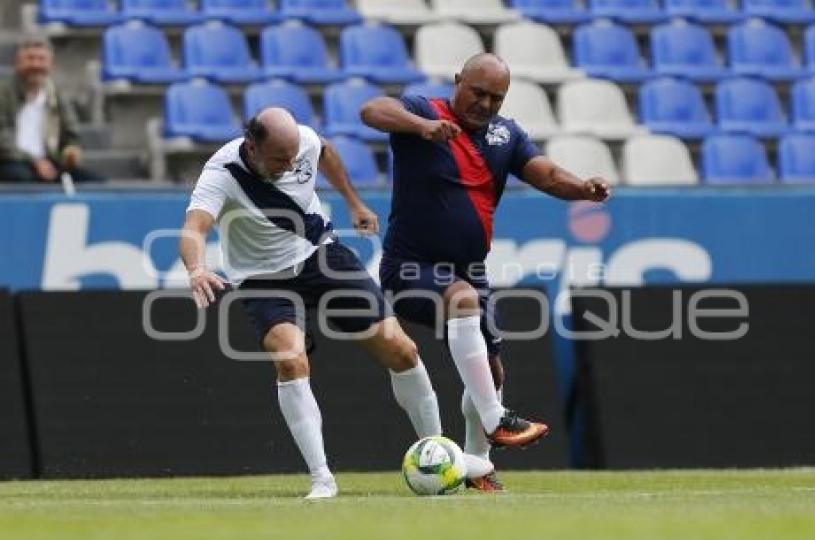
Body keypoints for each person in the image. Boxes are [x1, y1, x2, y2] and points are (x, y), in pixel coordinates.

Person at [179, 108, 496, 499]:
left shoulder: (304, 143)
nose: (291, 166)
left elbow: (325, 152)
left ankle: (437, 452)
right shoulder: (220, 174)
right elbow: (194, 228)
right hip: (263, 280)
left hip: (319, 257)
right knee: (290, 360)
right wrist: (196, 268)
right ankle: (322, 478)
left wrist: (353, 202)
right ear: (252, 147)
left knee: (401, 349)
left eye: (294, 158)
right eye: (279, 160)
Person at [361, 53, 612, 492]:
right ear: (458, 81)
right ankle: (497, 419)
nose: (486, 103)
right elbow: (371, 111)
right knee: (463, 301)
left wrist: (582, 189)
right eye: (478, 92)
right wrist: (421, 129)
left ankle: (478, 465)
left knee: (492, 373)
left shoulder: (505, 134)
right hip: (409, 266)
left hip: (469, 270)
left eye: (496, 97)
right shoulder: (424, 111)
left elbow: (548, 175)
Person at [0, 35, 101, 183]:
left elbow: (71, 135)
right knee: (21, 177)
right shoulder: (4, 93)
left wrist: (71, 151)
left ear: (51, 65)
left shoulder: (56, 95)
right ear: (17, 63)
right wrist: (34, 161)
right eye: (30, 58)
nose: (35, 65)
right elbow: (3, 140)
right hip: (10, 162)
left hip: (48, 161)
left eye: (41, 59)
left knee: (94, 182)